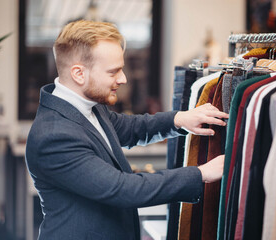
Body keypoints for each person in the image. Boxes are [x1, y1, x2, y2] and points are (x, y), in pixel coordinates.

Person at [25, 20, 229, 240]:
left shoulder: (89, 106)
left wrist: (180, 119)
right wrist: (201, 173)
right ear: (78, 73)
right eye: (114, 72)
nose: (122, 79)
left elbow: (130, 128)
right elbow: (123, 189)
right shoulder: (54, 135)